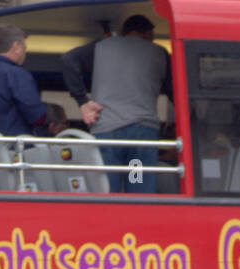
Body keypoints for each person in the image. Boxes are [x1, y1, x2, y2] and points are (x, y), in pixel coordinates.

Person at [61, 15, 172, 193]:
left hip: (107, 133)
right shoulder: (159, 53)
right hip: (141, 136)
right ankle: (136, 219)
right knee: (138, 187)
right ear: (148, 33)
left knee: (107, 190)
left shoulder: (101, 47)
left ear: (124, 32)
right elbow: (174, 91)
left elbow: (68, 60)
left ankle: (107, 219)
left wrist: (83, 101)